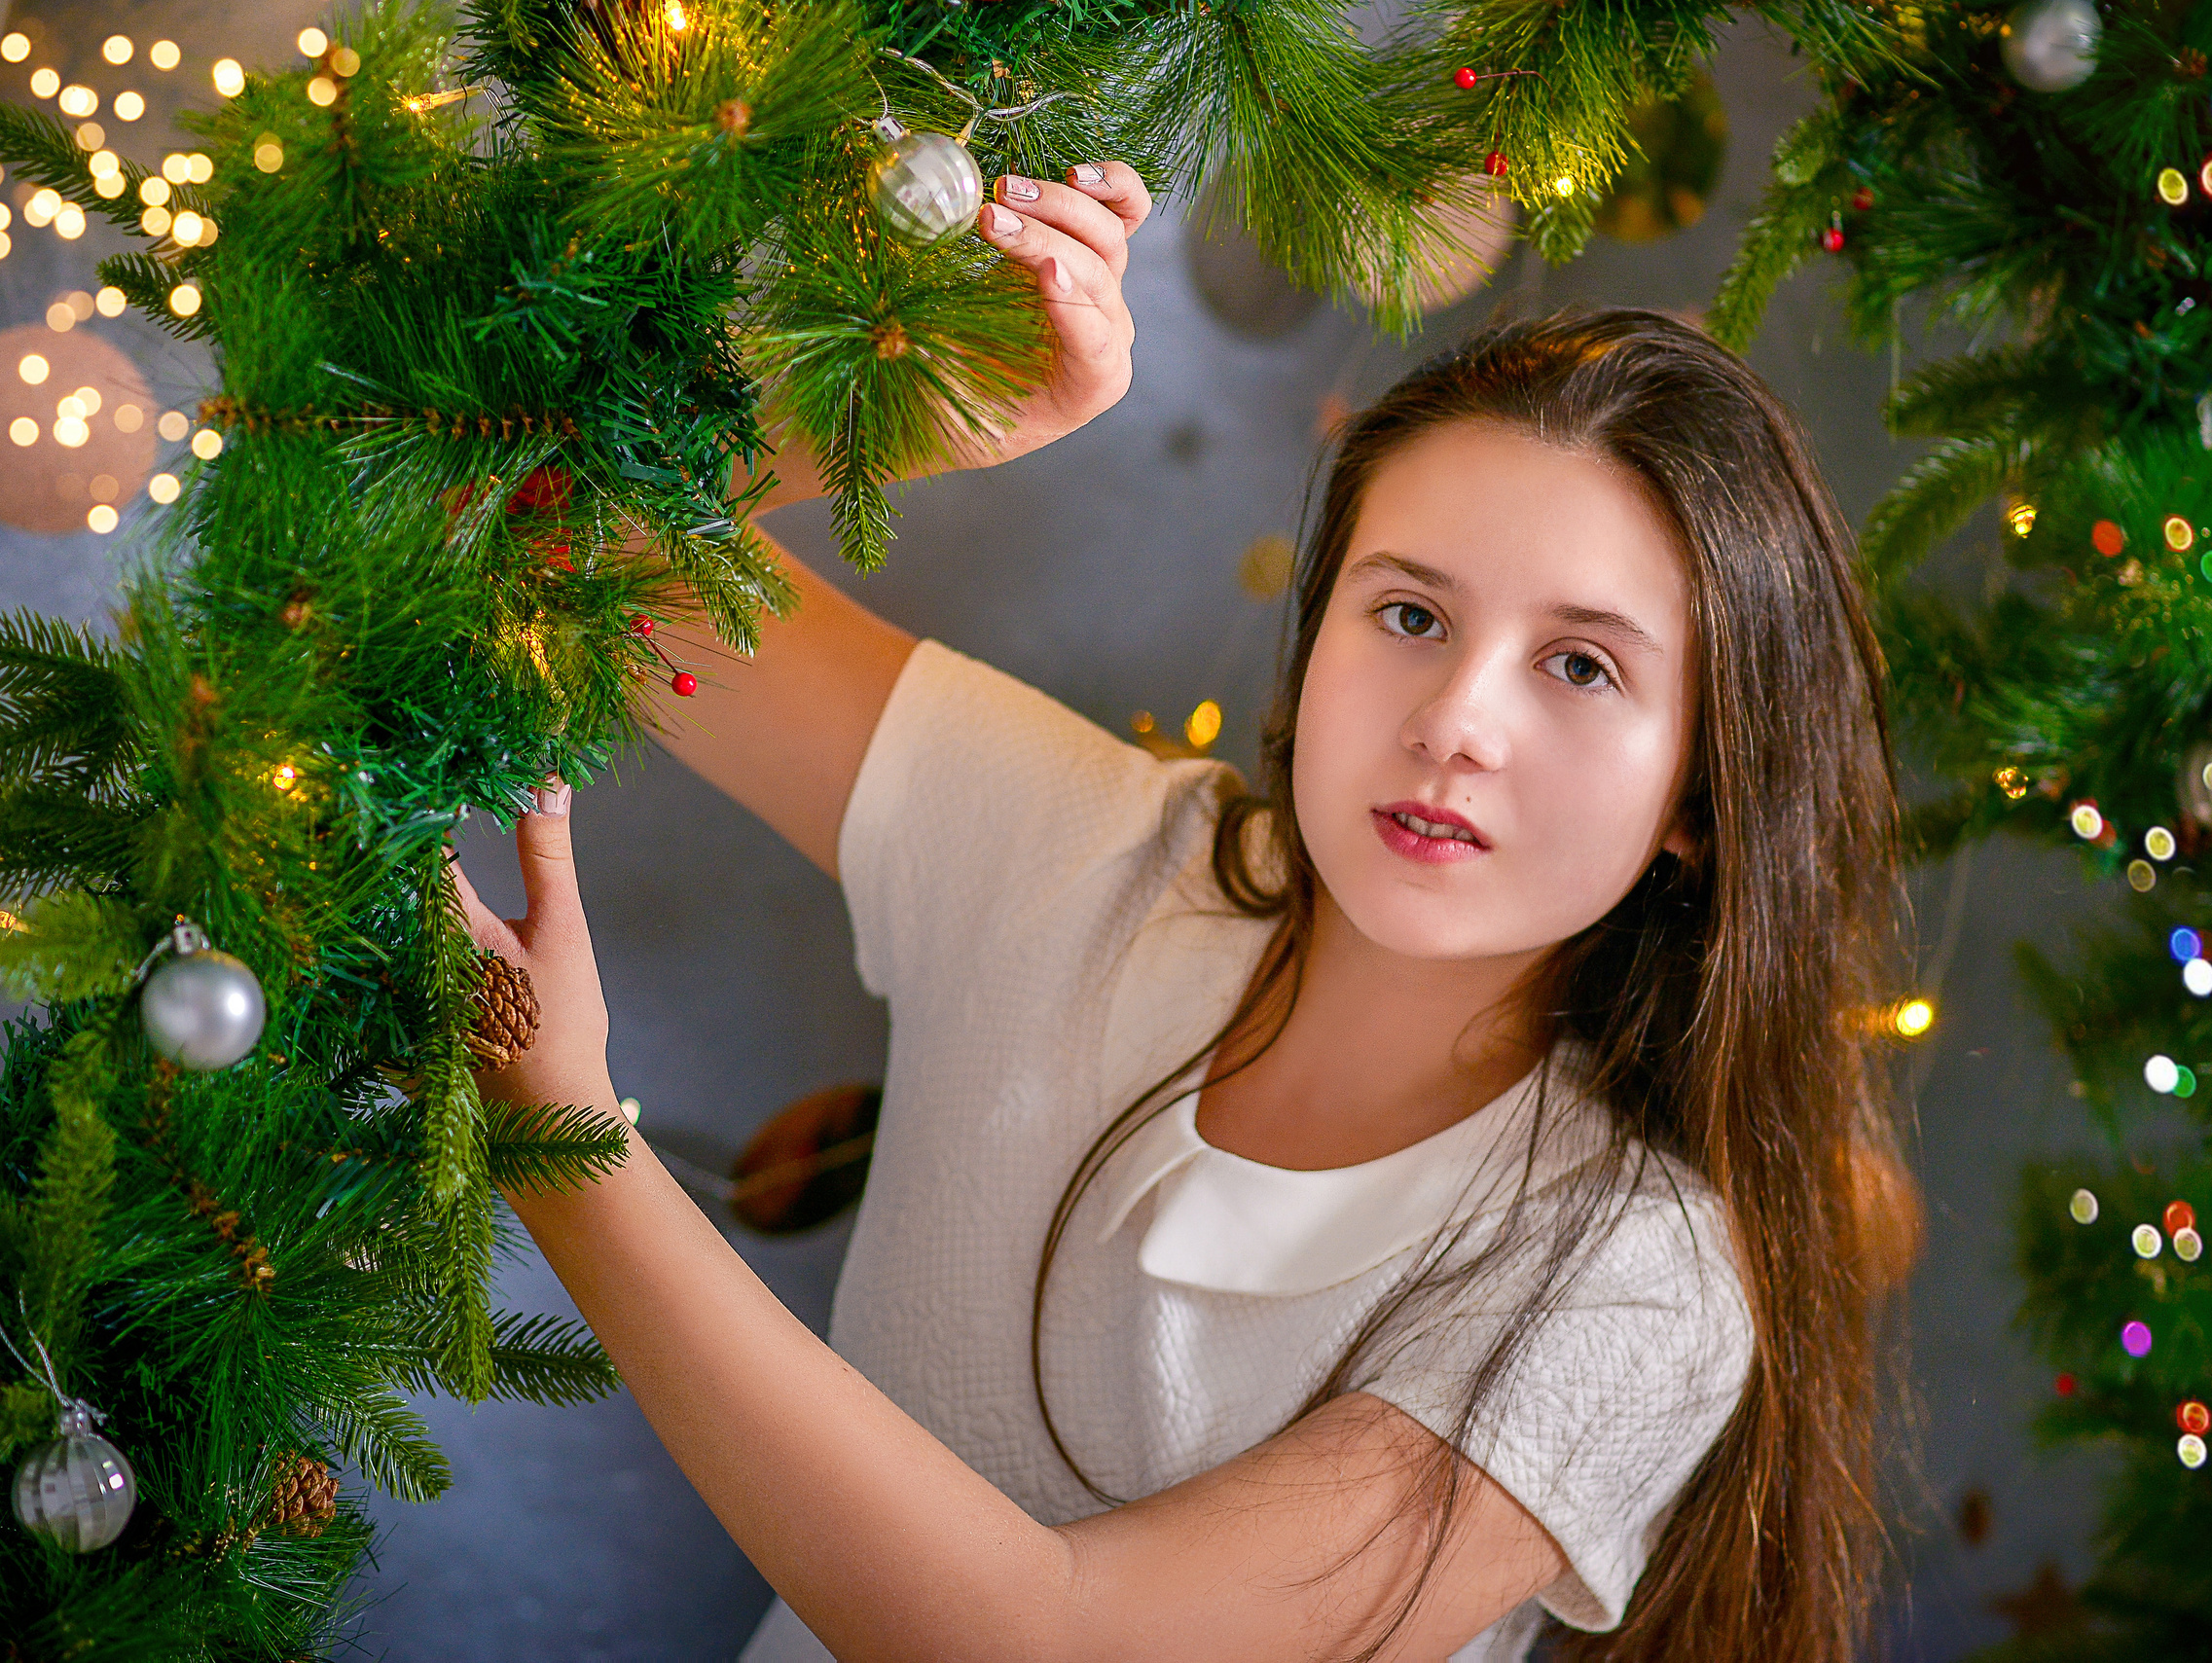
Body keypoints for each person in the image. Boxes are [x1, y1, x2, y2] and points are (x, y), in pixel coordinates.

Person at [453, 160, 1923, 1663]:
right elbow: (548, 531)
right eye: (1410, 614)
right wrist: (904, 405)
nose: (1456, 722)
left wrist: (564, 1139)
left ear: (1698, 797)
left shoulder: (1635, 1278)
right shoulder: (1084, 851)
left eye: (1582, 666)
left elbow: (1046, 1645)